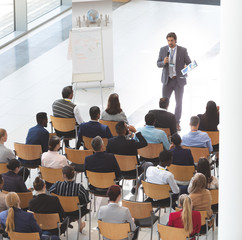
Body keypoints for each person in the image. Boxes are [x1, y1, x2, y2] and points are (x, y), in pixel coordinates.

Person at [157, 32, 191, 130]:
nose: (170, 42)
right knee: (164, 102)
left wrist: (185, 69)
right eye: (168, 40)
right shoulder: (163, 50)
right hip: (167, 81)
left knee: (179, 102)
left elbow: (190, 64)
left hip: (178, 81)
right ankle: (163, 122)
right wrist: (163, 62)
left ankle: (176, 123)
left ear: (175, 40)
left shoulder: (183, 50)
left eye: (172, 40)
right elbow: (158, 63)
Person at [49, 165, 89, 232]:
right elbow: (86, 199)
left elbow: (50, 192)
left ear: (64, 175)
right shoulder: (78, 187)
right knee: (79, 203)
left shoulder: (57, 184)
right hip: (75, 213)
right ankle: (80, 224)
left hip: (61, 211)